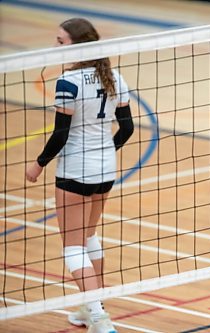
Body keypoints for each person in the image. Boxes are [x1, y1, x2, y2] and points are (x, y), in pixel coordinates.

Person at [25, 18, 134, 333]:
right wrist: (103, 154)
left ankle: (100, 318)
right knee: (88, 237)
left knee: (73, 246)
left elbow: (61, 134)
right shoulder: (114, 76)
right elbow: (126, 129)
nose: (56, 46)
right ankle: (90, 309)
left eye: (61, 41)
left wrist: (38, 164)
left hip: (75, 171)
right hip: (105, 170)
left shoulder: (68, 81)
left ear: (79, 45)